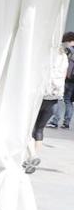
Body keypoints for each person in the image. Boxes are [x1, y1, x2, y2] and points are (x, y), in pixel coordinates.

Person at [25, 38, 71, 172]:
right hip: (54, 100)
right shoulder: (64, 60)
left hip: (39, 98)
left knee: (27, 129)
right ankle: (34, 157)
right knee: (39, 129)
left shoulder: (47, 60)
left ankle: (31, 155)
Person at [50, 31, 74, 128]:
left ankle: (55, 121)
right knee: (68, 101)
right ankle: (66, 123)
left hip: (65, 79)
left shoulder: (67, 49)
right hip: (73, 80)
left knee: (58, 99)